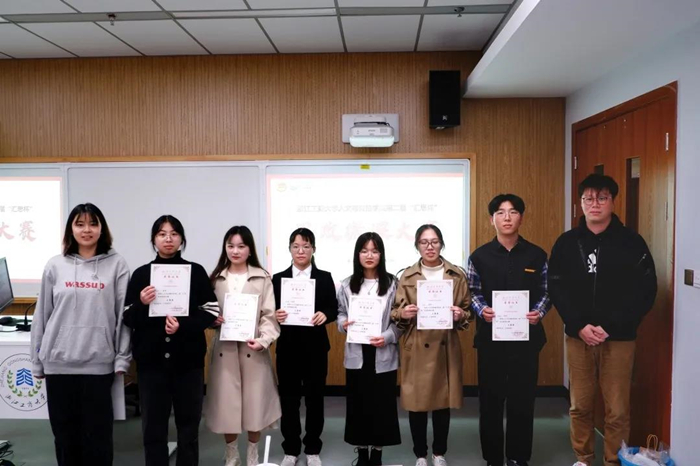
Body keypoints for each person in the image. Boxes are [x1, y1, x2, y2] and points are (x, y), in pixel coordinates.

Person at [548, 174, 657, 466]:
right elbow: (556, 287)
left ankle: (613, 460)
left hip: (619, 338)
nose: (594, 204)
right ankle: (583, 459)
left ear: (613, 202)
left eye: (602, 198)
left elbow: (645, 290)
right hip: (578, 337)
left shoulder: (632, 242)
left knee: (617, 409)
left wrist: (611, 325)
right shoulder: (567, 242)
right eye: (588, 198)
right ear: (580, 202)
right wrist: (578, 325)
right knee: (580, 405)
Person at [30, 203, 131, 466]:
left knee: (98, 439)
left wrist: (122, 358)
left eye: (93, 223)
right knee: (65, 438)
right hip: (58, 365)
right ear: (70, 229)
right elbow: (42, 316)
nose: (87, 229)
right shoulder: (55, 265)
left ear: (102, 229)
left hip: (98, 364)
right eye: (80, 224)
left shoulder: (117, 264)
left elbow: (123, 315)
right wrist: (36, 360)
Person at [123, 215, 219, 466]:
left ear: (182, 239)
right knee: (153, 428)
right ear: (153, 240)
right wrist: (142, 303)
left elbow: (211, 311)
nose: (168, 238)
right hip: (151, 364)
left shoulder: (195, 271)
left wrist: (182, 325)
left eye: (174, 233)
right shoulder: (142, 274)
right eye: (162, 234)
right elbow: (127, 316)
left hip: (188, 363)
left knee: (189, 427)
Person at [467, 194, 551, 466]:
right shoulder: (479, 256)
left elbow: (547, 291)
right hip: (490, 340)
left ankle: (518, 457)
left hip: (526, 341)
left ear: (521, 218)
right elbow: (472, 292)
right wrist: (482, 310)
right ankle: (493, 458)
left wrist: (539, 311)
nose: (507, 217)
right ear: (492, 219)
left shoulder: (537, 254)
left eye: (513, 212)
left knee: (522, 401)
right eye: (500, 213)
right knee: (490, 402)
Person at [391, 224, 470, 466]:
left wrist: (460, 314)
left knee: (442, 403)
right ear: (417, 245)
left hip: (445, 345)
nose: (430, 246)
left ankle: (439, 453)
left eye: (434, 241)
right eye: (424, 242)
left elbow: (467, 310)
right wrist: (404, 313)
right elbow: (394, 312)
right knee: (417, 403)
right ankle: (420, 454)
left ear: (441, 244)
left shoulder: (456, 274)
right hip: (416, 345)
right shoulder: (406, 276)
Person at [205, 226, 282, 466]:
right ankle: (231, 454)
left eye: (241, 246)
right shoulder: (216, 278)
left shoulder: (262, 277)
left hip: (253, 350)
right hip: (224, 350)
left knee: (254, 403)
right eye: (230, 246)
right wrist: (212, 320)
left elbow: (269, 315)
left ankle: (252, 453)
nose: (235, 251)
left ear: (250, 249)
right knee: (227, 404)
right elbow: (206, 311)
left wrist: (263, 340)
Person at [272, 228, 338, 466]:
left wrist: (325, 314)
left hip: (315, 348)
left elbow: (333, 308)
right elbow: (270, 311)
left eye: (306, 246)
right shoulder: (277, 279)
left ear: (313, 249)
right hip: (288, 348)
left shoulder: (324, 277)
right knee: (288, 400)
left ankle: (312, 448)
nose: (301, 251)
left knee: (315, 400)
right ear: (289, 249)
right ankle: (290, 449)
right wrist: (276, 314)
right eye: (296, 246)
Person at [337, 232, 401, 466]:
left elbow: (400, 319)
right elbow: (340, 313)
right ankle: (362, 451)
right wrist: (343, 324)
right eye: (364, 251)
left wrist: (388, 337)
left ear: (381, 254)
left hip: (383, 351)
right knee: (358, 403)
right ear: (357, 255)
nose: (369, 255)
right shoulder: (346, 284)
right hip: (357, 353)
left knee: (382, 404)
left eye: (374, 251)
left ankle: (378, 452)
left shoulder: (393, 284)